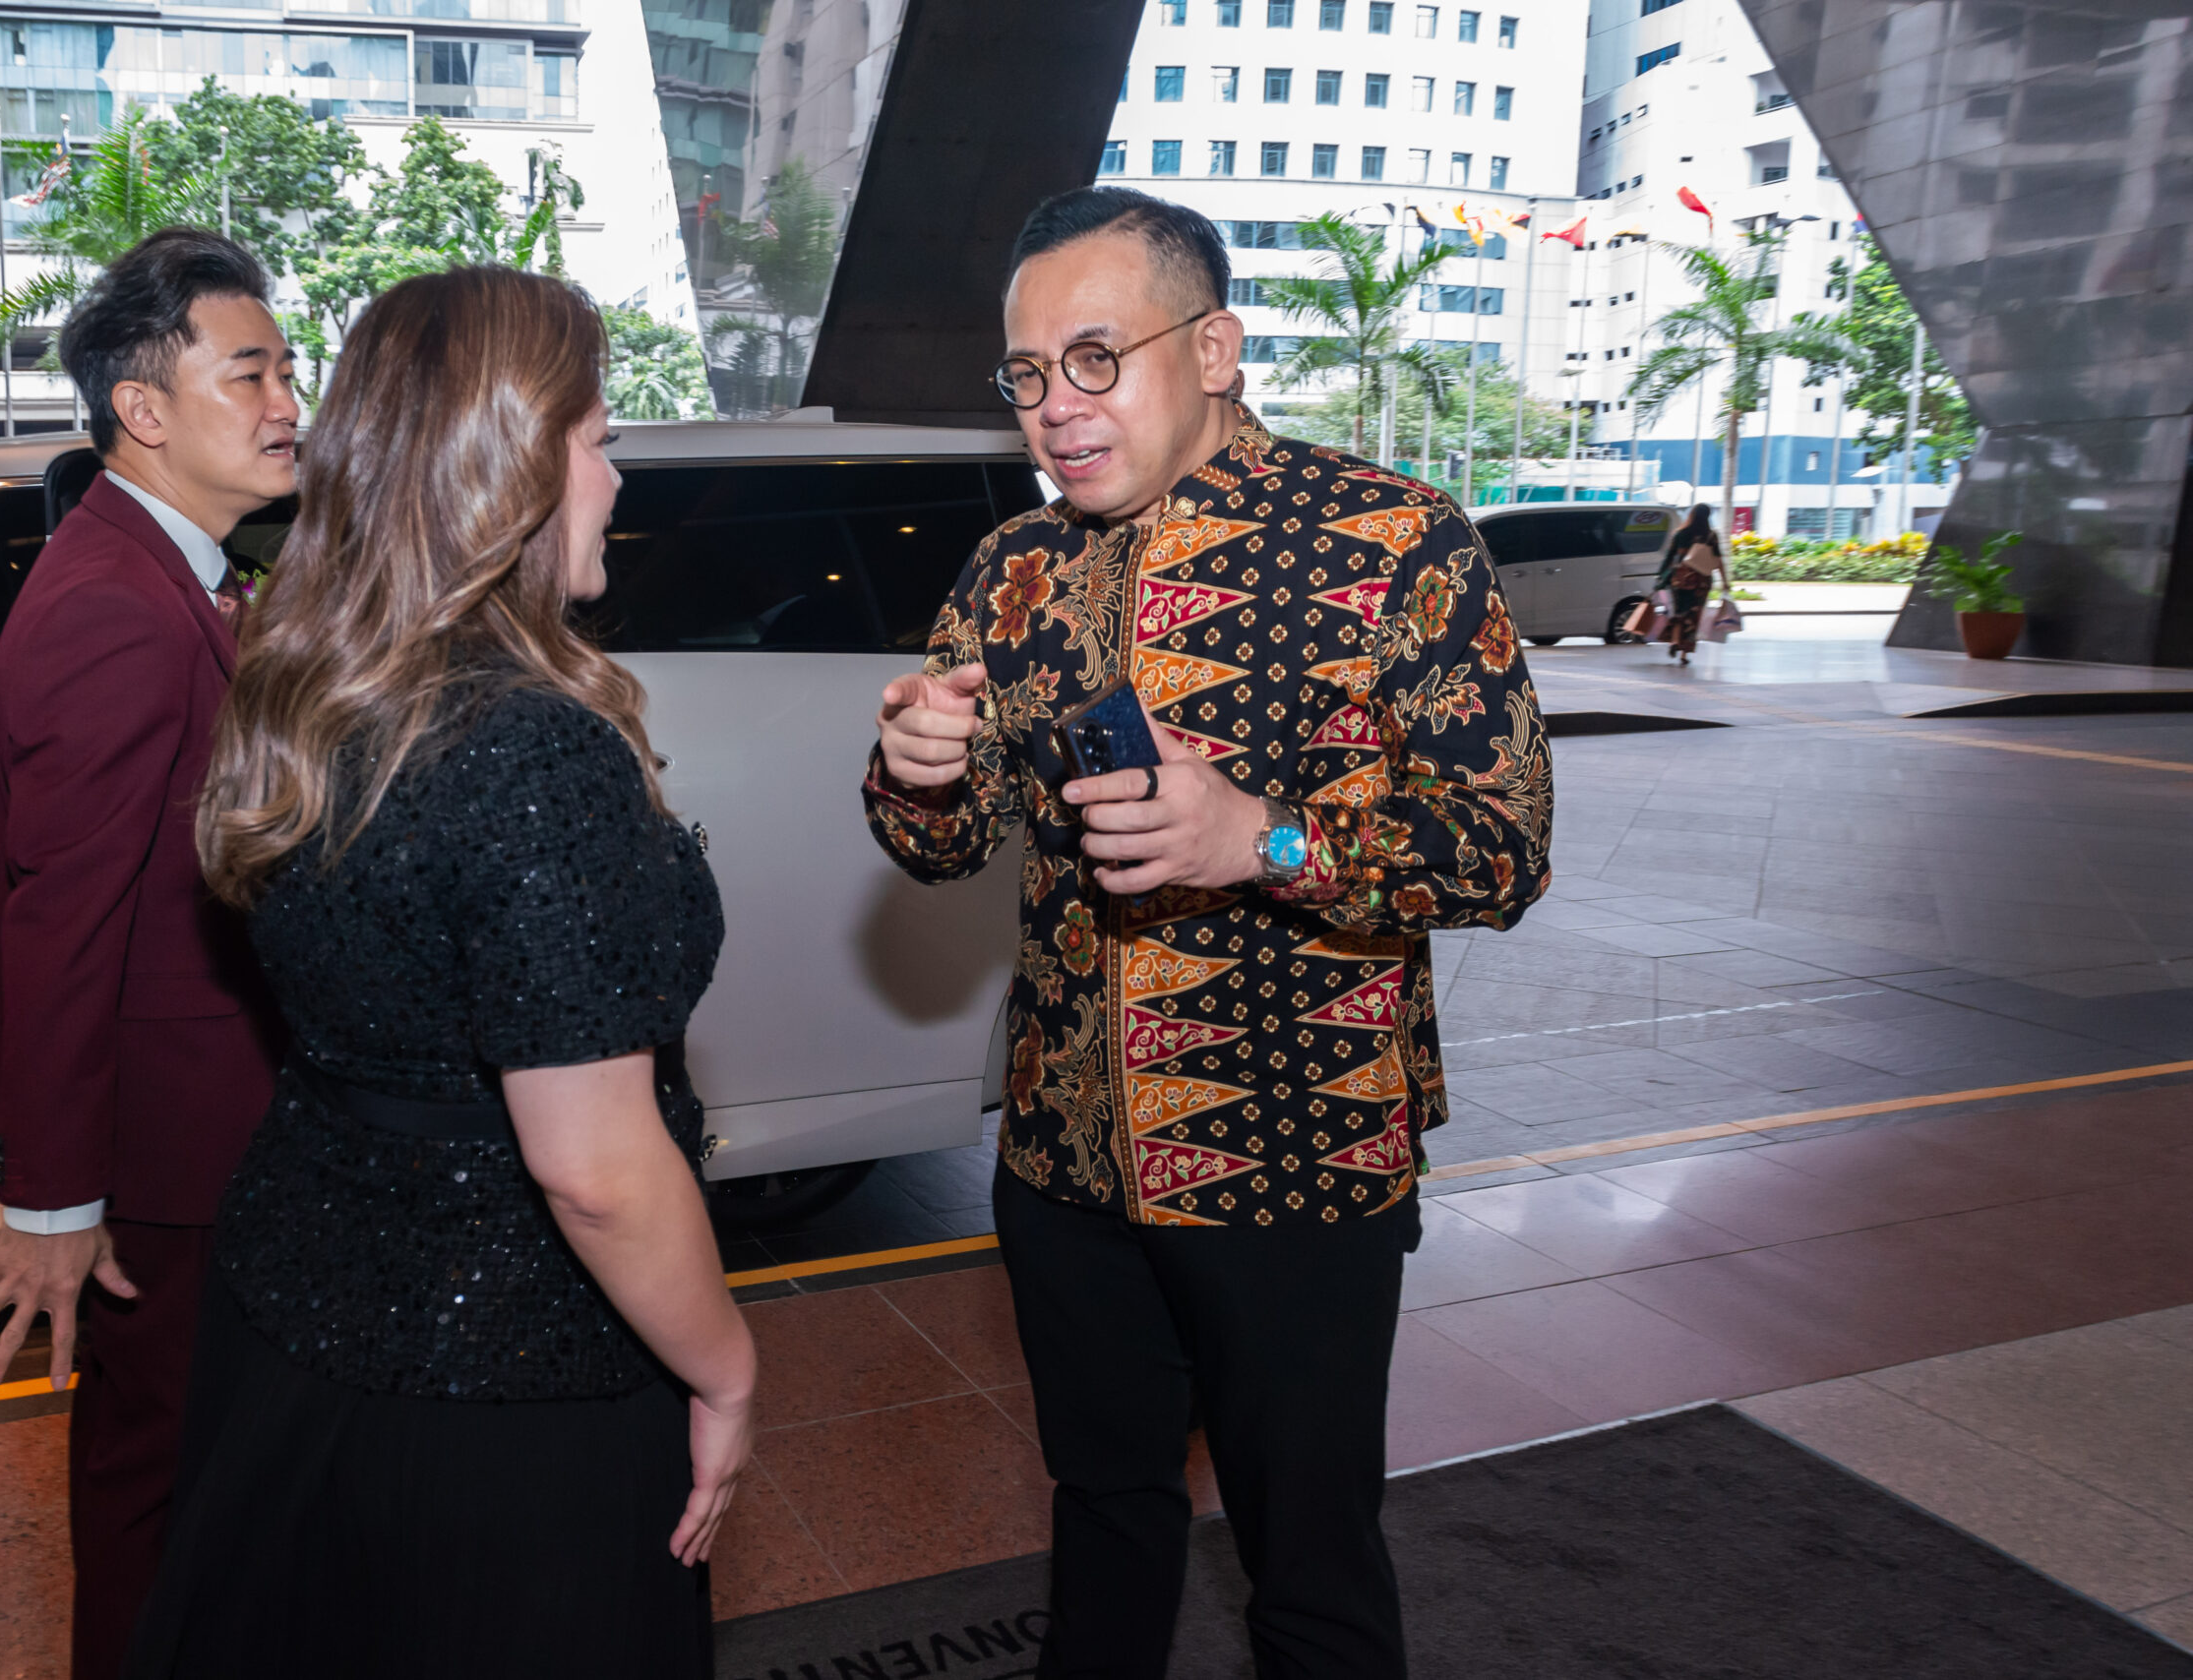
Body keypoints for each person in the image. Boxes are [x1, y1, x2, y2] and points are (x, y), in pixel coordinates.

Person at [864, 187, 1553, 1678]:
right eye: (1028, 373)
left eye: (1095, 358)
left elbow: (1503, 845)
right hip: (1064, 1152)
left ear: (1216, 348)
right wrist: (915, 772)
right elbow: (942, 847)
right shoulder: (1014, 569)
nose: (1056, 406)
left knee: (1309, 1560)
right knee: (1103, 1512)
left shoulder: (1396, 541)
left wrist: (1267, 840)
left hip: (1299, 1152)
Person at [125, 267, 753, 1677]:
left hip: (295, 1307)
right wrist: (727, 1369)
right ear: (514, 465)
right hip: (511, 1373)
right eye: (598, 441)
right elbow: (594, 1168)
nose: (614, 480)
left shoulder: (306, 682)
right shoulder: (530, 744)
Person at [0, 227, 296, 1680]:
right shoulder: (112, 603)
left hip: (202, 1136)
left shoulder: (174, 575)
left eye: (288, 372)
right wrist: (53, 1198)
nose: (287, 404)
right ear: (142, 407)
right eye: (251, 373)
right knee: (159, 1484)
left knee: (198, 1475)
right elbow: (58, 922)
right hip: (166, 1155)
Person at [1657, 504, 1729, 665]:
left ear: (1692, 515)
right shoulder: (1711, 536)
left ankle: (1675, 640)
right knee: (1693, 616)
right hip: (1701, 581)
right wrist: (1725, 581)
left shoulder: (1680, 533)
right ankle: (1684, 654)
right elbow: (1718, 560)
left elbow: (1669, 557)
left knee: (1679, 612)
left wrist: (1661, 576)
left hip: (1680, 578)